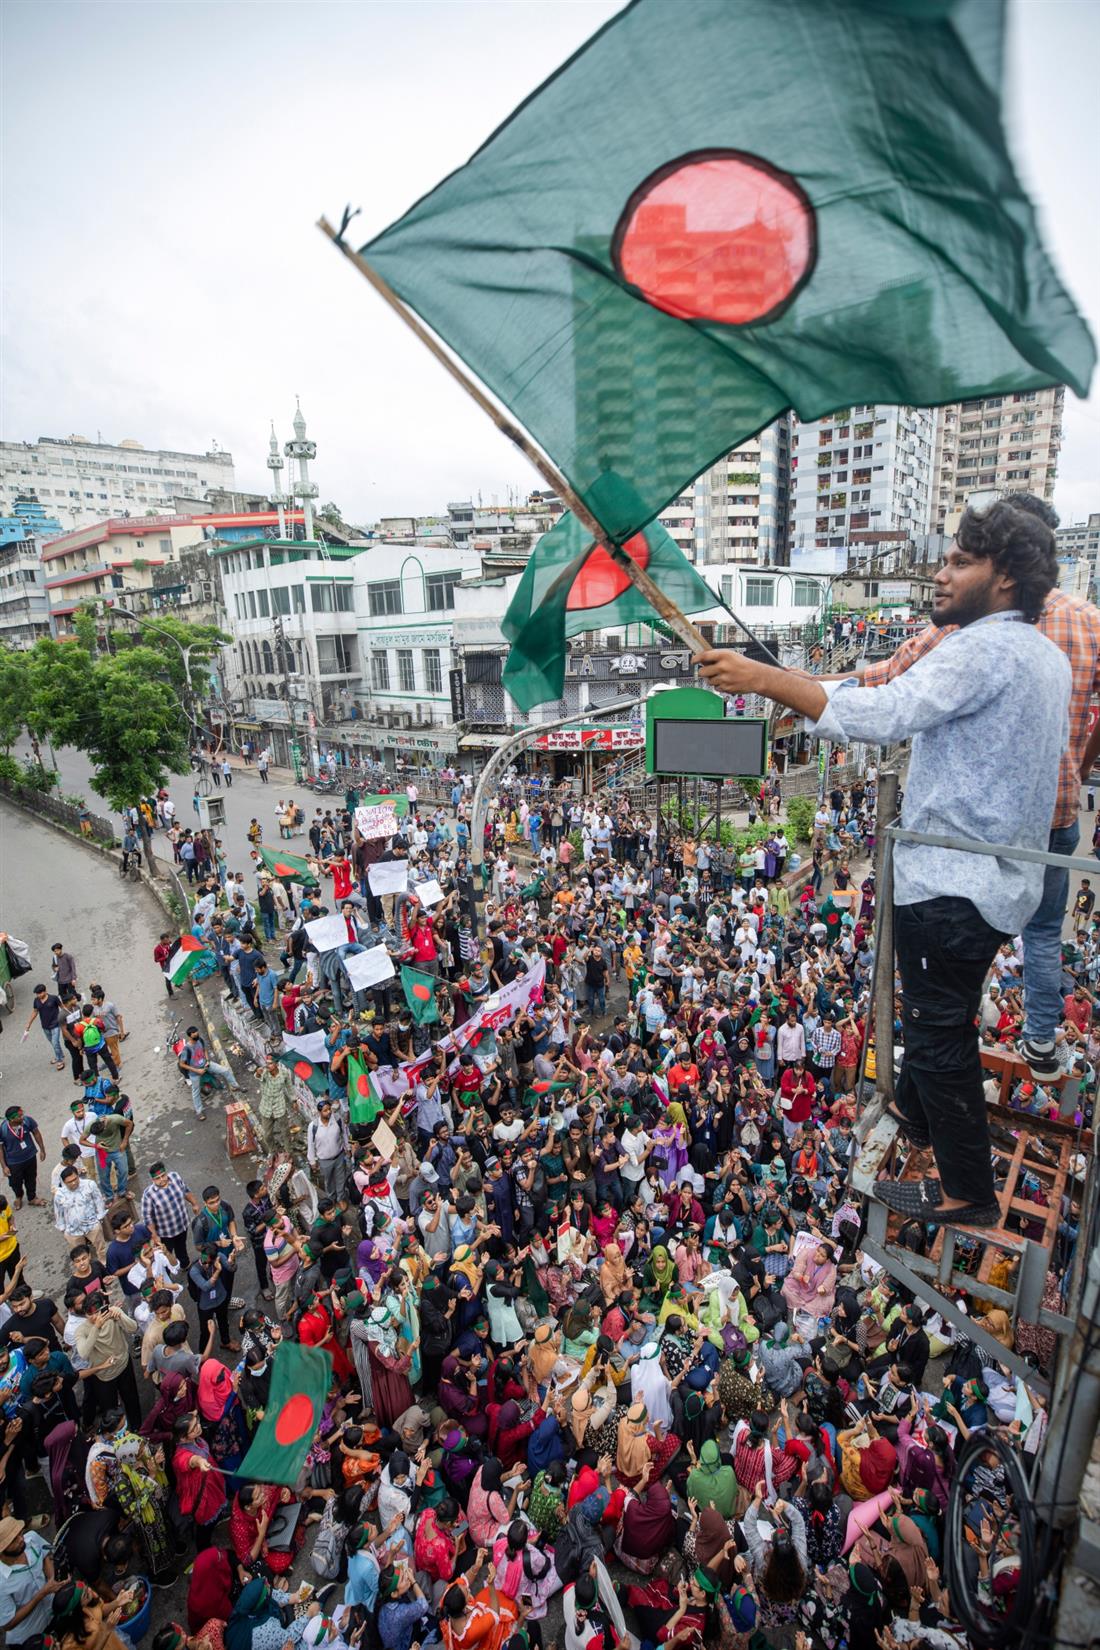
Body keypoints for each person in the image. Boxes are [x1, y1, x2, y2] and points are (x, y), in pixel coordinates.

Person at [696, 497, 1070, 1225]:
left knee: (937, 1032)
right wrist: (783, 677)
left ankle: (966, 1191)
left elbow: (882, 716)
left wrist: (765, 680)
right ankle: (920, 1113)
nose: (940, 573)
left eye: (960, 560)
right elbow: (880, 693)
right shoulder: (1043, 655)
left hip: (951, 885)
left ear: (1003, 579)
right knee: (938, 1023)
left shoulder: (981, 649)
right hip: (1004, 880)